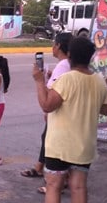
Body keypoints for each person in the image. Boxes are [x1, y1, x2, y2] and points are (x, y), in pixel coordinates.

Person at [27, 37, 107, 203]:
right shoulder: (99, 80)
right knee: (79, 187)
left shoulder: (67, 79)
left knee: (53, 186)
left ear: (70, 55)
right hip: (84, 145)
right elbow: (106, 110)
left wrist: (39, 81)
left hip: (60, 144)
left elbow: (47, 105)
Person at [19, 33, 73, 192]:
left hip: (58, 113)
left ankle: (57, 181)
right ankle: (41, 168)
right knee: (47, 138)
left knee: (54, 146)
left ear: (58, 46)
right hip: (62, 114)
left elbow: (49, 97)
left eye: (54, 44)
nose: (52, 47)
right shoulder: (67, 65)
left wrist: (40, 80)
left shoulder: (63, 65)